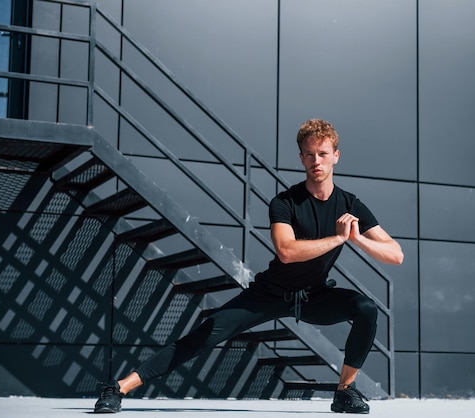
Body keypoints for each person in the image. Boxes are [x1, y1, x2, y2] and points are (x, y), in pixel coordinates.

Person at [94, 118, 404, 414]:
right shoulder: (285, 202)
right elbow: (286, 251)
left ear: (336, 156)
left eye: (323, 154)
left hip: (314, 296)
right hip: (270, 293)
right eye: (309, 154)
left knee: (365, 308)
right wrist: (337, 240)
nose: (316, 161)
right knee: (207, 332)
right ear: (301, 158)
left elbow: (395, 254)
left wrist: (356, 239)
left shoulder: (350, 204)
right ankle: (118, 388)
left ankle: (344, 392)